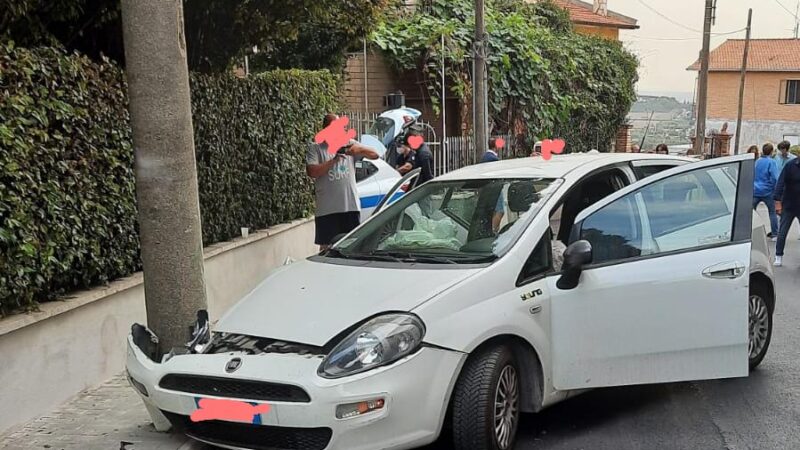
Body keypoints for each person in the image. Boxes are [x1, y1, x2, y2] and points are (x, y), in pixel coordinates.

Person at [306, 113, 379, 251]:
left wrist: (360, 149)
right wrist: (333, 161)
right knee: (326, 247)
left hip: (349, 206)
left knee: (351, 246)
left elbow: (375, 154)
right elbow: (312, 171)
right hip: (327, 209)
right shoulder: (316, 148)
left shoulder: (349, 144)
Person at [774, 153, 800, 266]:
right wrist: (777, 202)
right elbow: (780, 183)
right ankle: (778, 256)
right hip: (789, 204)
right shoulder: (790, 165)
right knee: (782, 232)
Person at [753, 143, 780, 240]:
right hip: (768, 190)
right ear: (771, 151)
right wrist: (775, 189)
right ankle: (774, 234)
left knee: (751, 212)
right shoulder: (772, 162)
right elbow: (775, 178)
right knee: (772, 212)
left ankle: (749, 232)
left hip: (755, 190)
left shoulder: (757, 161)